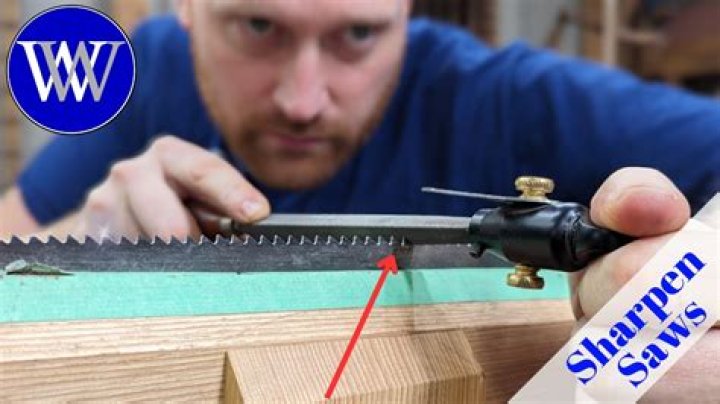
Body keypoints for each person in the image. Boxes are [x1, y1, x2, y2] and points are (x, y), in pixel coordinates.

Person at [0, 1, 718, 398]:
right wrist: (81, 256)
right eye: (259, 28)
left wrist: (692, 287)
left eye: (357, 35)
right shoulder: (149, 67)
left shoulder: (506, 96)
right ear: (189, 7)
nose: (303, 100)